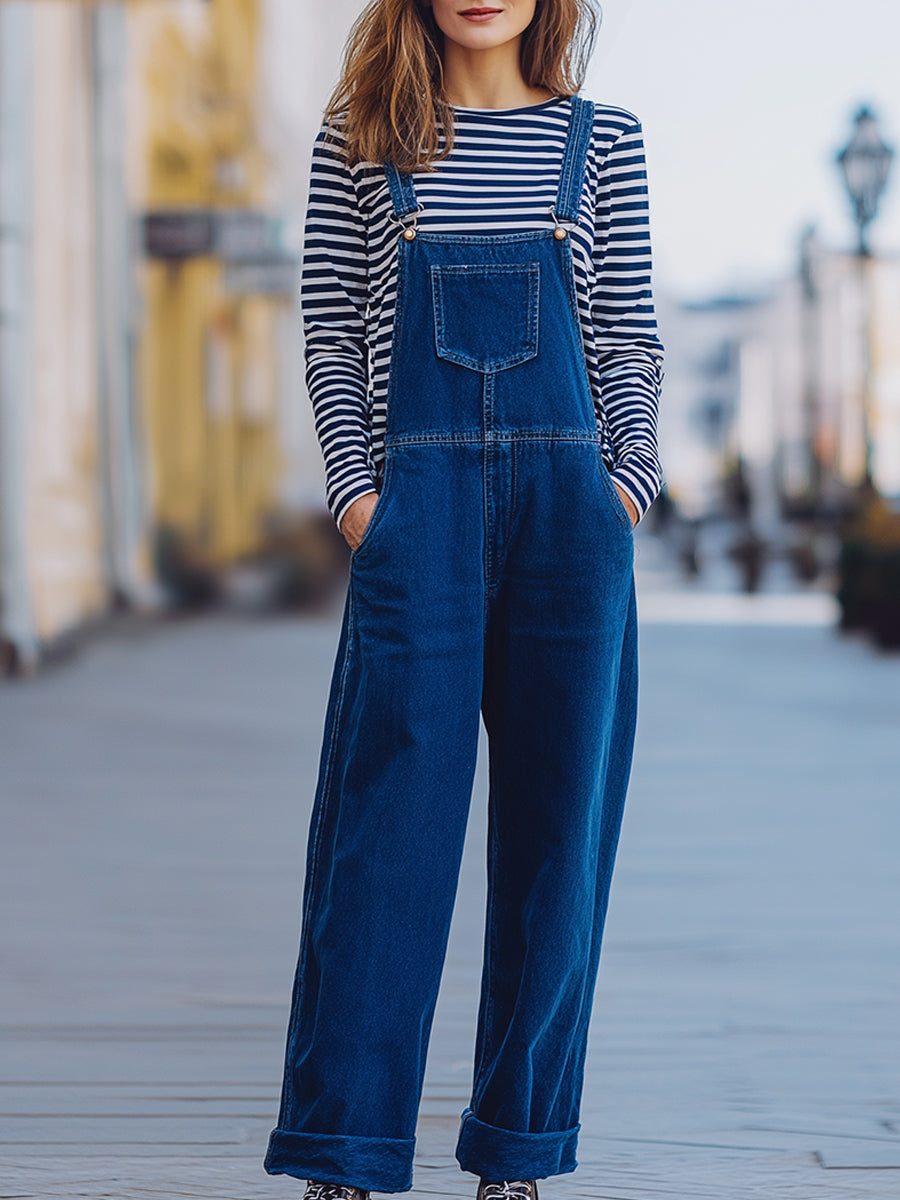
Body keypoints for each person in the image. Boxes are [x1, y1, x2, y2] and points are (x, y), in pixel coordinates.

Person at [264, 2, 664, 1199]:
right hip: (414, 525)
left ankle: (519, 1156)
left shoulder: (608, 142)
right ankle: (346, 1152)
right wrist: (356, 500)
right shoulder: (362, 139)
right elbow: (331, 330)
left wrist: (625, 490)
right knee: (383, 843)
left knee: (560, 843)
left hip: (570, 525)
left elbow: (631, 341)